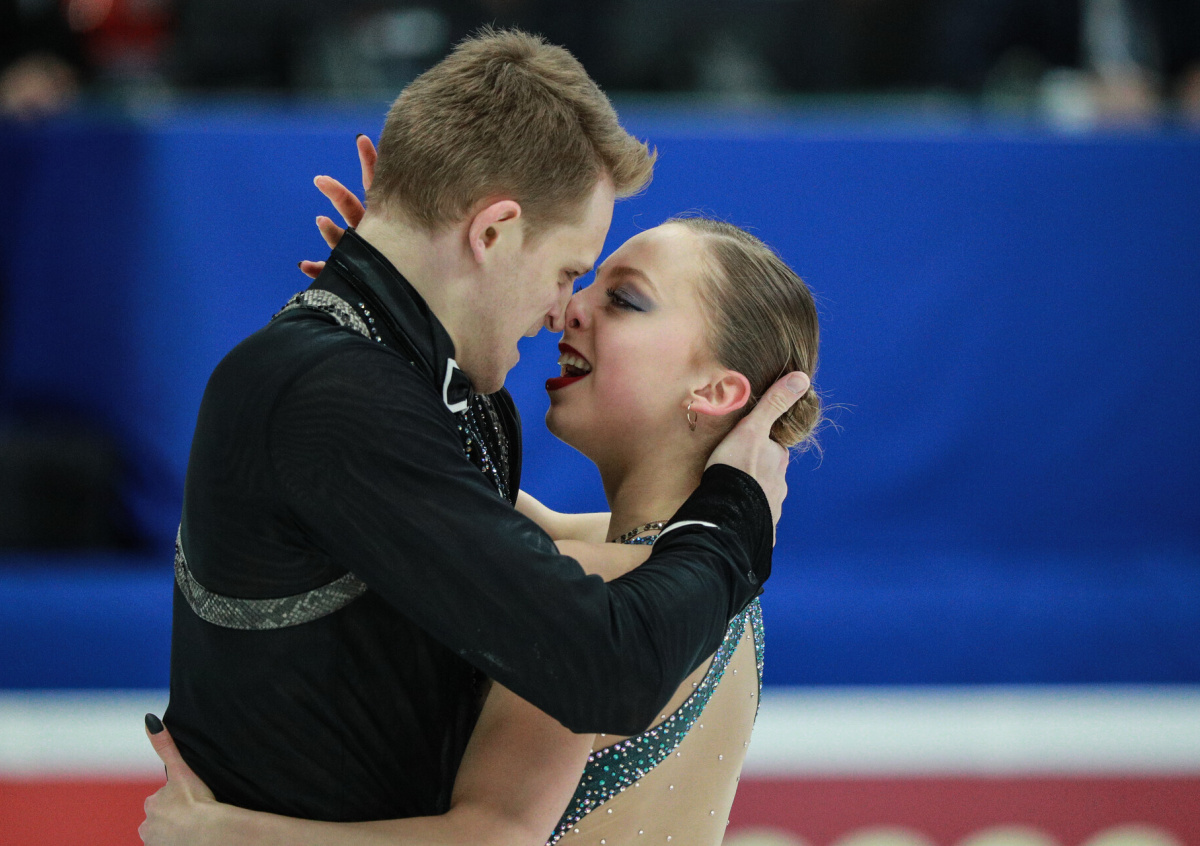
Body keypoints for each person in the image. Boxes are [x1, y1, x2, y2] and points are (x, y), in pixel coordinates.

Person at [157, 26, 805, 828]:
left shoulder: (446, 404)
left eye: (618, 296)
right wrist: (734, 520)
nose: (565, 309)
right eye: (571, 272)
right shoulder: (338, 395)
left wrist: (401, 286)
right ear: (491, 233)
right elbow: (597, 644)